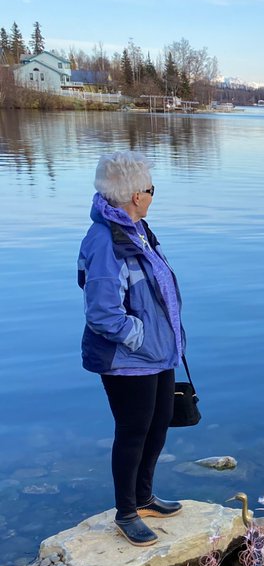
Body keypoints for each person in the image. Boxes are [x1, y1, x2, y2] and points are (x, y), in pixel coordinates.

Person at [77, 152, 185, 546]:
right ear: (135, 195)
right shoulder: (106, 240)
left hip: (157, 353)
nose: (153, 196)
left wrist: (162, 339)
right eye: (151, 189)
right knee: (133, 432)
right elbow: (102, 313)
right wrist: (138, 336)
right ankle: (126, 512)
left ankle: (145, 497)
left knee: (159, 425)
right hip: (128, 360)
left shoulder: (136, 229)